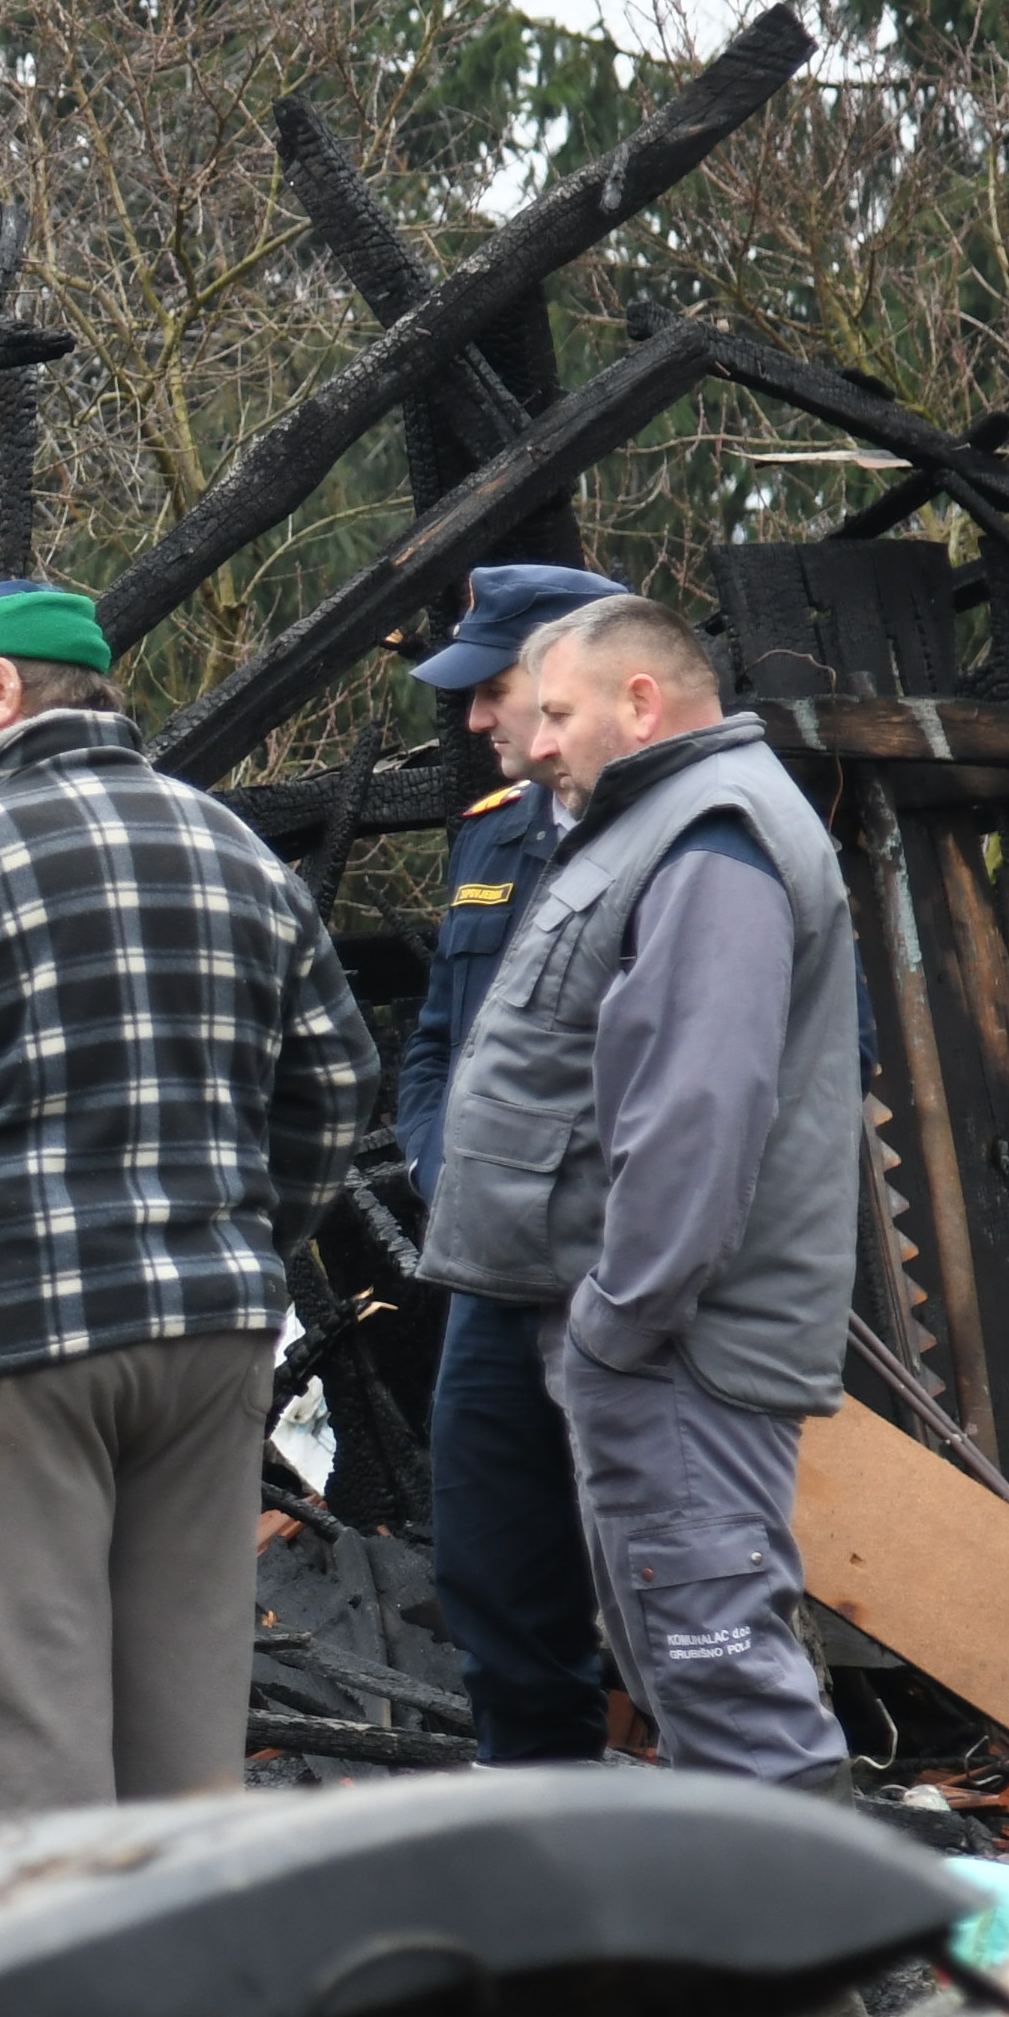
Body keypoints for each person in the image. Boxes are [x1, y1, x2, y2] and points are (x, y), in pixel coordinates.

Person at [0, 580, 380, 1828]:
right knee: (181, 1734)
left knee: (14, 1734)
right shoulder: (230, 847)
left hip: (3, 1346)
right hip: (206, 1345)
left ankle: (48, 2015)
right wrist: (245, 1245)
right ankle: (183, 2011)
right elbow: (339, 1083)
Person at [420, 593, 860, 1791]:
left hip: (675, 1346)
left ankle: (807, 1974)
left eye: (555, 710)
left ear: (642, 701)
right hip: (647, 1338)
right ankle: (754, 1968)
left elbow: (697, 1110)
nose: (537, 736)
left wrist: (622, 1318)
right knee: (686, 1668)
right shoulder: (648, 825)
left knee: (721, 1679)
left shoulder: (712, 834)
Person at [398, 565, 631, 1766]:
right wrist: (455, 1175)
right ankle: (541, 1855)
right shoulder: (490, 841)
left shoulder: (699, 838)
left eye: (494, 690)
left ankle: (739, 1892)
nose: (479, 721)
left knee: (679, 1590)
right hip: (495, 1274)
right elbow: (435, 1045)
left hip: (631, 1280)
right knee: (495, 1572)